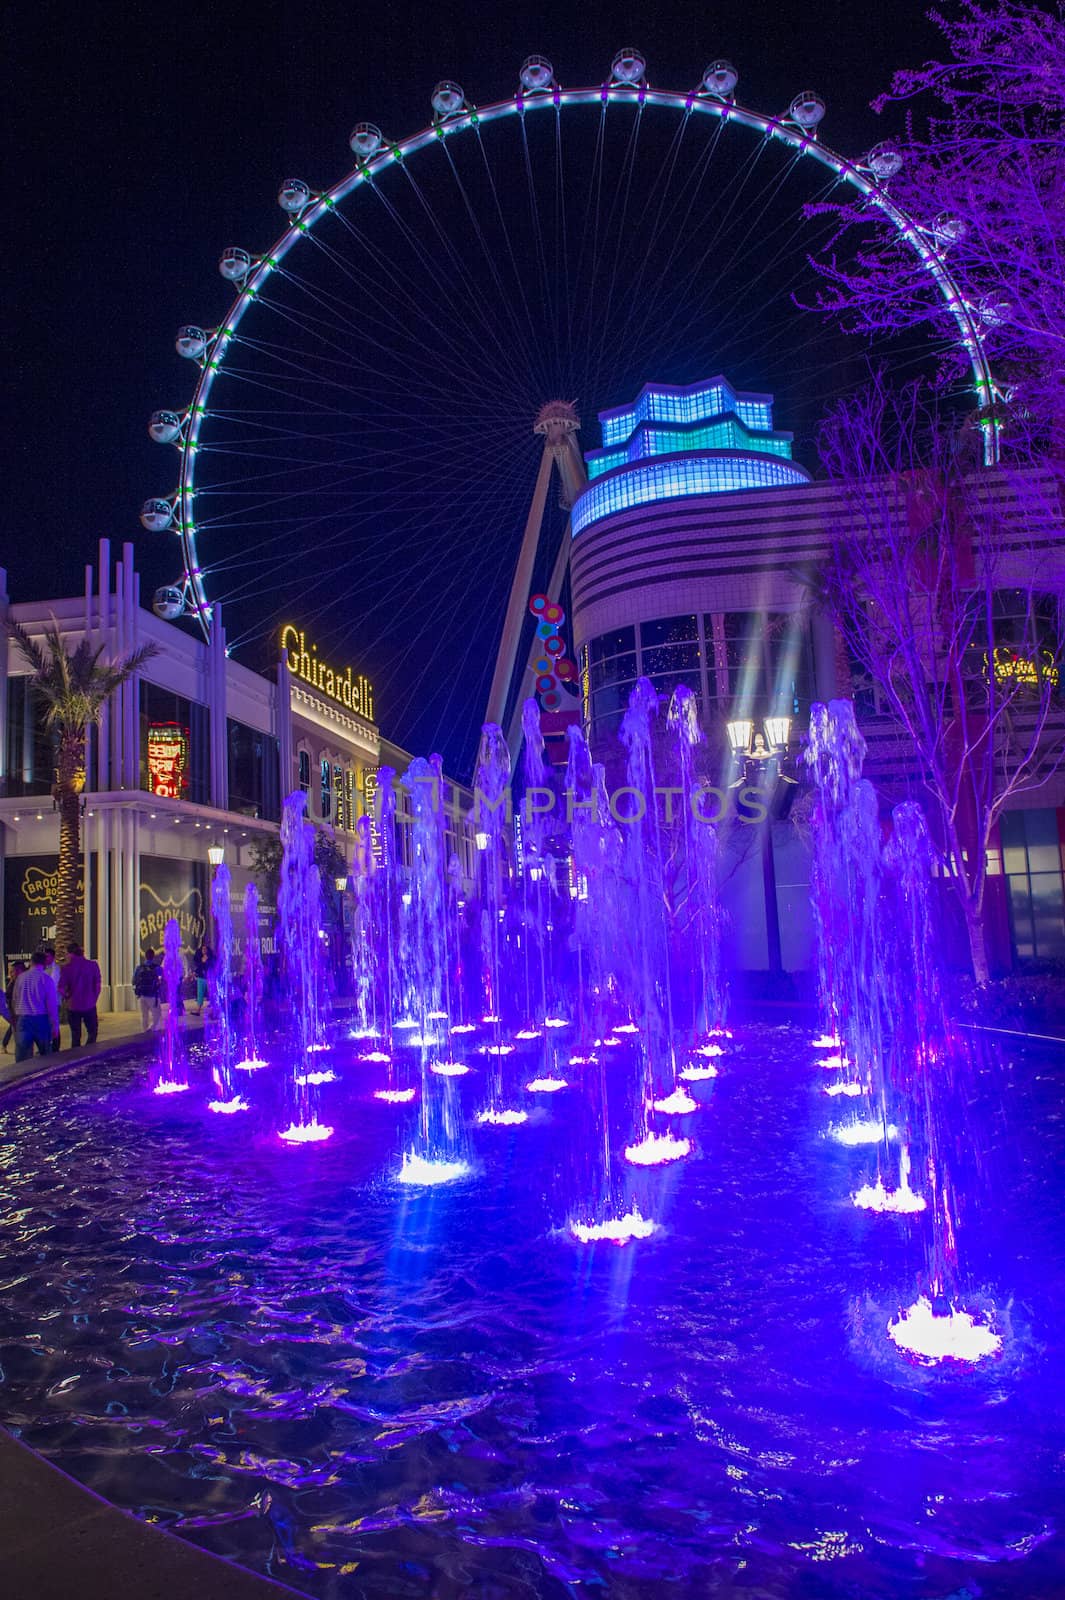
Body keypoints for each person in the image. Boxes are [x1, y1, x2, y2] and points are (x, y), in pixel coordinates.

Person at [12, 951, 59, 1063]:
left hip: (23, 1019)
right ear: (44, 964)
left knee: (22, 1058)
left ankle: (22, 1079)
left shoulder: (20, 978)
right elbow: (51, 1004)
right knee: (46, 1056)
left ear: (31, 962)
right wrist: (55, 1025)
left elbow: (15, 999)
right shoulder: (46, 979)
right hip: (41, 1019)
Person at [59, 942, 102, 1047]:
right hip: (89, 1004)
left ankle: (76, 1056)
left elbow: (60, 988)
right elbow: (97, 984)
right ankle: (89, 1052)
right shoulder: (93, 965)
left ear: (70, 954)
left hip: (73, 1005)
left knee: (75, 1035)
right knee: (92, 1032)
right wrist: (94, 998)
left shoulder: (67, 968)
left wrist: (67, 997)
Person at [133, 947, 163, 1031]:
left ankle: (144, 1032)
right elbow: (162, 979)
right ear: (153, 956)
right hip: (153, 995)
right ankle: (151, 1029)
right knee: (157, 1014)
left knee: (144, 1016)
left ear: (145, 956)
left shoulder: (139, 968)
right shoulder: (157, 968)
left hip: (142, 995)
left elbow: (134, 980)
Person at [2, 961, 26, 1053]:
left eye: (12, 971)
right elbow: (6, 1003)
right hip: (16, 1016)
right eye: (10, 971)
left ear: (20, 971)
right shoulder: (12, 985)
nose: (10, 974)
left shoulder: (22, 983)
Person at [42, 946, 62, 1051]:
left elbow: (55, 985)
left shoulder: (56, 969)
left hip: (54, 1002)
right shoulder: (43, 968)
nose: (46, 958)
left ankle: (55, 1046)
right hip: (44, 1002)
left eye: (48, 956)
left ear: (53, 957)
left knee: (55, 1024)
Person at [192, 942, 212, 1015]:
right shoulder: (199, 958)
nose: (204, 950)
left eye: (205, 949)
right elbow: (199, 967)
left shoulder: (210, 957)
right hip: (201, 977)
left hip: (209, 978)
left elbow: (212, 967)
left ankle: (215, 1011)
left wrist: (207, 961)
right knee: (200, 994)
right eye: (202, 949)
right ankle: (198, 1010)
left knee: (211, 994)